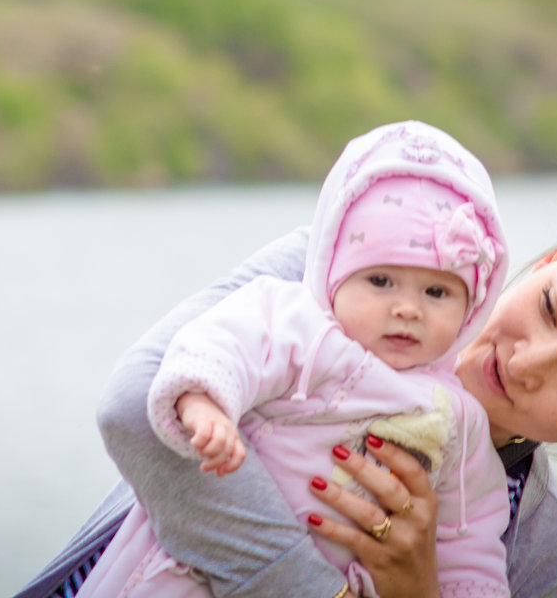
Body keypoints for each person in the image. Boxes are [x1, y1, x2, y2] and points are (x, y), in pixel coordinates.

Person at [14, 179, 557, 598]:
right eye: (550, 306)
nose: (526, 359)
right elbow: (137, 409)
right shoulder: (345, 273)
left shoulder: (547, 565)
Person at [75, 120, 512, 597]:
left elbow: (468, 539)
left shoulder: (458, 418)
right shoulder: (299, 324)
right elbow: (222, 345)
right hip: (193, 569)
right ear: (334, 276)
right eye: (380, 282)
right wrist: (205, 405)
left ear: (472, 307)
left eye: (436, 292)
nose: (407, 308)